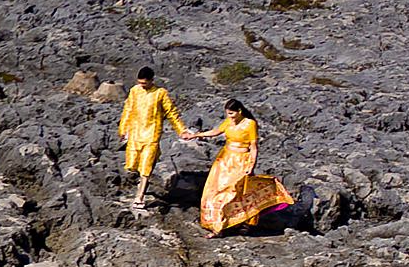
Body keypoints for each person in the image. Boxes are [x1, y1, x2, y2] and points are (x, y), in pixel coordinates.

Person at [194, 99, 294, 235]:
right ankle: (218, 223)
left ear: (239, 111)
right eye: (227, 114)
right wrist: (197, 135)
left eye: (231, 113)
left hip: (241, 161)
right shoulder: (229, 121)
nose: (229, 117)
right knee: (214, 191)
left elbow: (253, 147)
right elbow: (216, 131)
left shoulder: (250, 124)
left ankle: (234, 223)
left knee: (234, 192)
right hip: (224, 159)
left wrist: (251, 165)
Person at [117, 67, 191, 206]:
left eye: (145, 83)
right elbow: (128, 109)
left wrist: (182, 130)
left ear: (152, 81)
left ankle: (140, 197)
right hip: (135, 132)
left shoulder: (160, 93)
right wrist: (123, 129)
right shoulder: (135, 90)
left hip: (152, 133)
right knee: (132, 165)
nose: (142, 86)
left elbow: (171, 112)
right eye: (140, 83)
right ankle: (140, 185)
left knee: (146, 165)